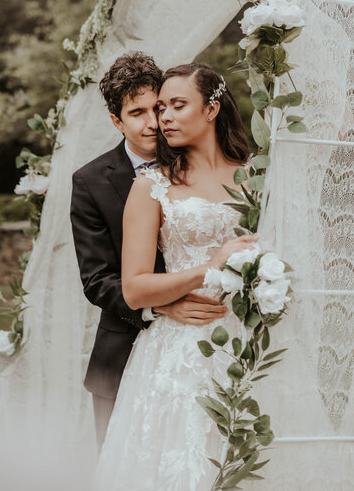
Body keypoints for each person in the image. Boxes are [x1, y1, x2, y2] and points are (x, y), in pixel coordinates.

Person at [92, 62, 258, 490]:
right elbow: (133, 287)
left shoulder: (260, 176)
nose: (162, 117)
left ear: (212, 109)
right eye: (159, 107)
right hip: (183, 352)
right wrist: (210, 266)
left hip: (253, 342)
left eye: (176, 105)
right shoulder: (151, 185)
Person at [70, 54, 228, 450]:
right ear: (116, 121)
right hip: (123, 352)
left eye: (157, 108)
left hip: (208, 344)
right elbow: (96, 279)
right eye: (136, 113)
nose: (153, 122)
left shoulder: (201, 162)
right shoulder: (91, 182)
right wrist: (160, 305)